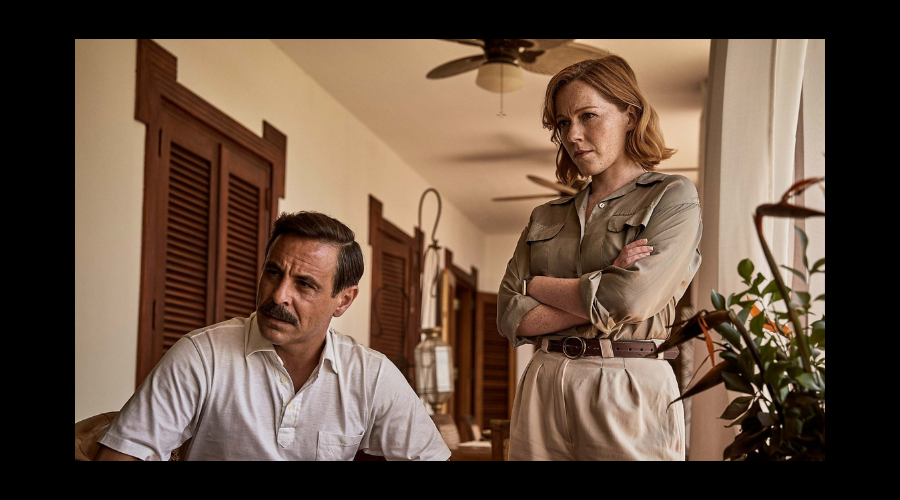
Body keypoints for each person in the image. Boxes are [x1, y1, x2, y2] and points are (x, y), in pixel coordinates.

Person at [97, 211, 450, 461]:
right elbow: (123, 454)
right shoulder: (202, 355)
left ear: (343, 300)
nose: (278, 295)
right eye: (273, 272)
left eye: (305, 284)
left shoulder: (371, 376)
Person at [497, 55, 702, 461]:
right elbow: (508, 314)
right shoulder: (545, 215)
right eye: (562, 123)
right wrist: (605, 280)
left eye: (588, 116)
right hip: (543, 379)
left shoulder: (673, 196)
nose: (573, 135)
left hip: (628, 381)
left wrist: (537, 287)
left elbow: (630, 301)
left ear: (630, 114)